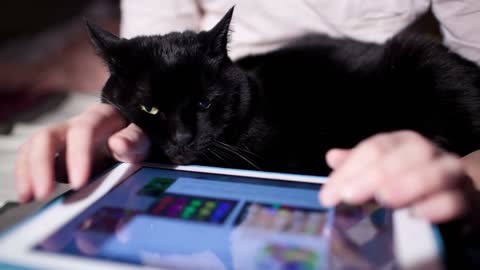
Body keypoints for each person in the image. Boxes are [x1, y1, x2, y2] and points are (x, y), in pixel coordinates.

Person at [15, 0, 480, 226]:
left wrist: (470, 173)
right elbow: (148, 50)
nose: (179, 140)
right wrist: (115, 119)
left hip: (389, 87)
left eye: (200, 112)